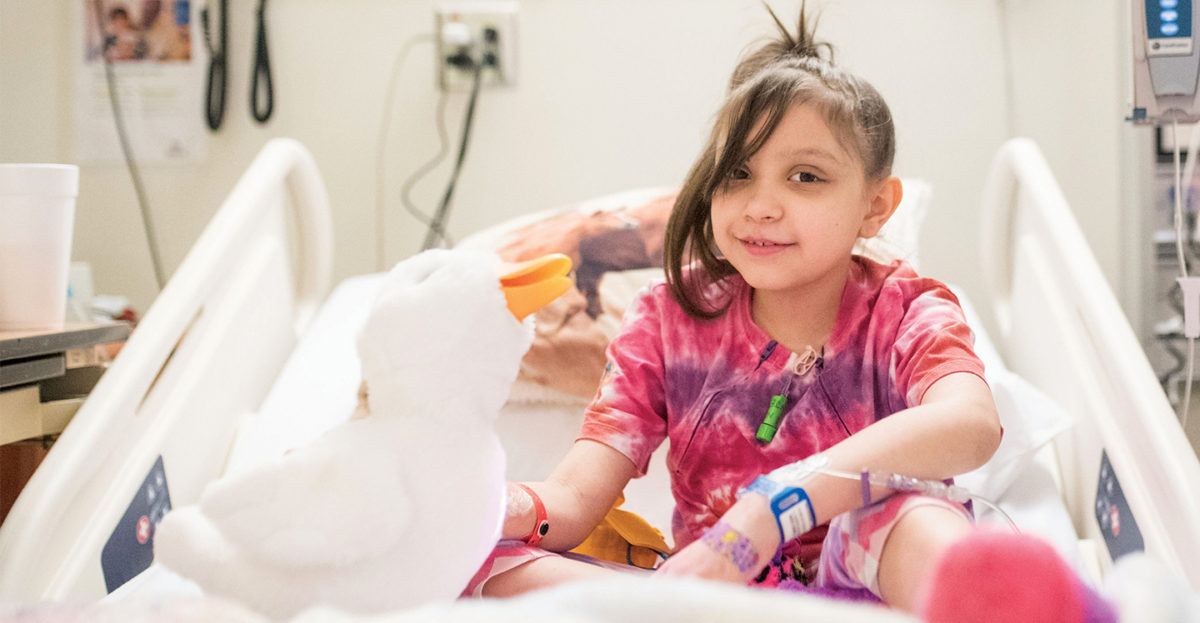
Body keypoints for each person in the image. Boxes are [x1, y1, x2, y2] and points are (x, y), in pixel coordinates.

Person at [466, 4, 1005, 613]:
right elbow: (571, 498)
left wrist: (773, 508)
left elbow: (971, 424)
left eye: (805, 177)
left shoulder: (906, 311)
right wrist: (490, 508)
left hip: (867, 587)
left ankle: (994, 597)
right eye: (738, 173)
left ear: (875, 205)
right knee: (474, 555)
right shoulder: (666, 321)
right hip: (715, 600)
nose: (760, 206)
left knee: (916, 522)